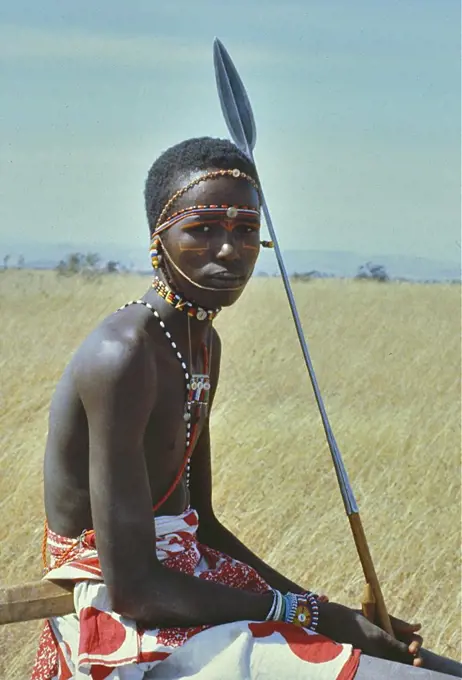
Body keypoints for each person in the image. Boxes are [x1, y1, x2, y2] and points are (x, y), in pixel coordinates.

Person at [32, 137, 461, 679]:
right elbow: (134, 587)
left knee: (435, 668)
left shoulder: (201, 344)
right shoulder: (123, 354)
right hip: (128, 617)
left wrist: (335, 616)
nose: (230, 251)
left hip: (194, 584)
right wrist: (310, 613)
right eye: (203, 229)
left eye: (245, 231)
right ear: (157, 240)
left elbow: (202, 525)